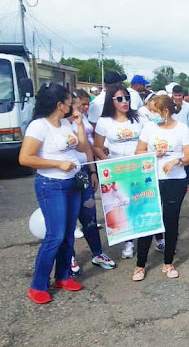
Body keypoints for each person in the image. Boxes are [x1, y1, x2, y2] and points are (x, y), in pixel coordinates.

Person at [19, 83, 90, 304]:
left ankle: (62, 276)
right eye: (70, 103)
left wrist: (78, 125)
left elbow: (81, 147)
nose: (73, 106)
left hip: (72, 184)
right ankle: (38, 285)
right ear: (60, 105)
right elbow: (25, 158)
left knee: (68, 234)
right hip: (52, 185)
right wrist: (58, 164)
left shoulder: (64, 124)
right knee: (55, 235)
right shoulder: (39, 126)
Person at [133, 95, 189, 280]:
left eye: (154, 111)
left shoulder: (181, 129)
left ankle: (168, 262)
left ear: (165, 112)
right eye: (150, 111)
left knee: (171, 220)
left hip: (176, 181)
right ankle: (140, 265)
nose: (151, 115)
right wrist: (153, 153)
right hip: (151, 179)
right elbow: (139, 151)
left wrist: (177, 161)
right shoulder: (149, 127)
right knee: (148, 219)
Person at [92, 84, 146, 259]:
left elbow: (149, 140)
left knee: (142, 203)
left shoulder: (139, 118)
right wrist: (108, 164)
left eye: (127, 98)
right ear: (111, 101)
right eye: (120, 99)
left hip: (139, 169)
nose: (125, 102)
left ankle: (154, 236)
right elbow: (98, 147)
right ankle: (128, 241)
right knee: (123, 206)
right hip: (118, 171)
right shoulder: (104, 121)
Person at [69, 90, 116, 274]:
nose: (83, 109)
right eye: (79, 106)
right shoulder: (61, 125)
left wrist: (92, 171)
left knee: (89, 215)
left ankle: (97, 253)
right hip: (68, 174)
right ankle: (69, 256)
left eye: (84, 106)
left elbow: (88, 146)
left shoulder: (83, 121)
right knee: (69, 218)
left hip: (85, 172)